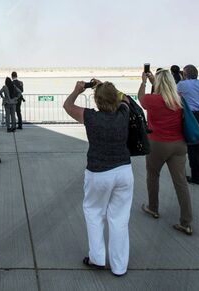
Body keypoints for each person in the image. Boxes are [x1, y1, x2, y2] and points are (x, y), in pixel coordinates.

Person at [63, 79, 133, 277]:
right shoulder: (123, 113)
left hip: (98, 172)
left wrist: (77, 90)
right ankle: (119, 266)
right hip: (123, 171)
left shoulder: (91, 117)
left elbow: (67, 106)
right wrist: (106, 87)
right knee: (119, 219)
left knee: (94, 213)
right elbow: (125, 98)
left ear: (96, 100)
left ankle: (97, 258)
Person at [139, 69, 193, 236]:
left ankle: (153, 208)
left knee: (153, 175)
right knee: (181, 183)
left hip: (158, 143)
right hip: (179, 144)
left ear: (159, 84)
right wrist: (156, 82)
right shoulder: (179, 100)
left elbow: (141, 98)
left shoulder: (152, 100)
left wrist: (143, 82)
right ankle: (186, 223)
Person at [177, 65, 199, 184]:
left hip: (191, 117)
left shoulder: (182, 84)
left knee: (192, 146)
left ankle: (197, 176)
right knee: (198, 145)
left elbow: (176, 94)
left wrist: (181, 80)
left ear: (185, 74)